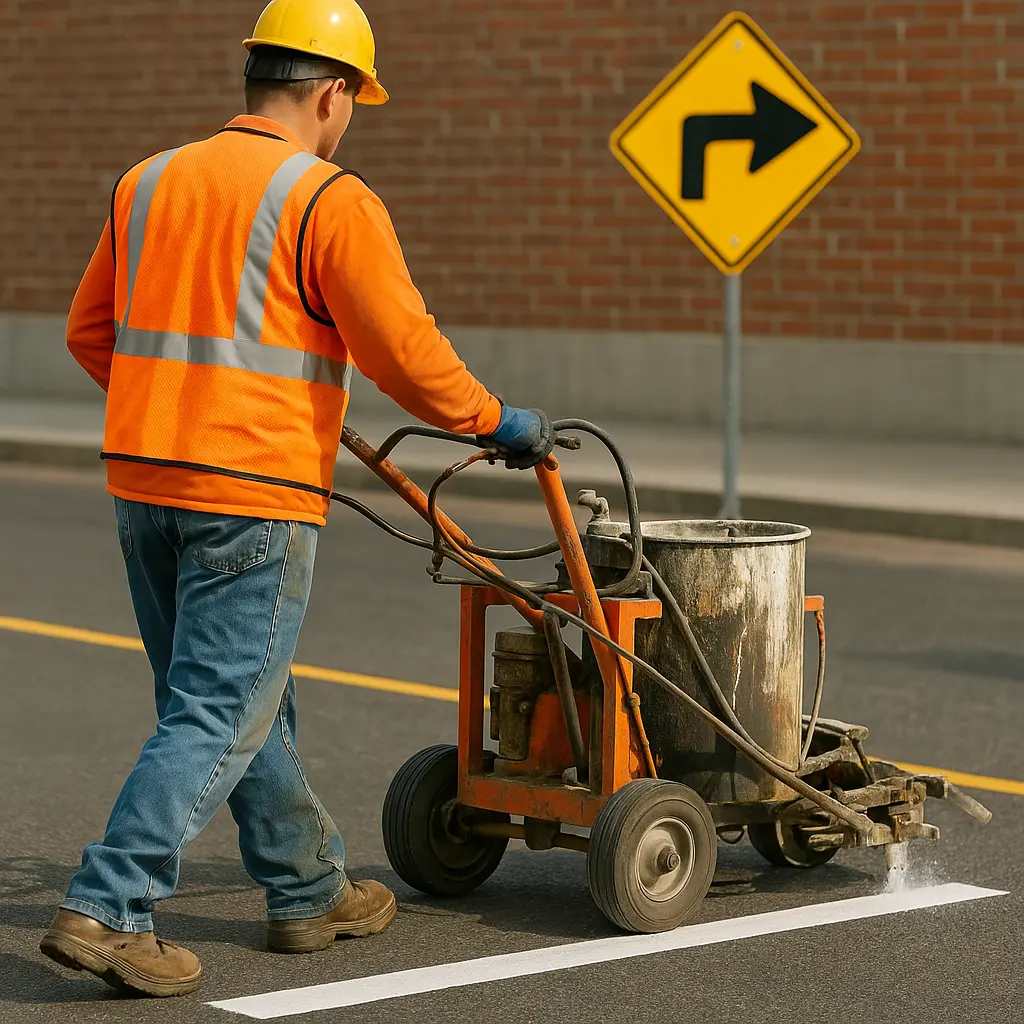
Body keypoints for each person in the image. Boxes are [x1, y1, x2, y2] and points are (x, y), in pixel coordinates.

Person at [39, 0, 553, 999]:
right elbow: (402, 352)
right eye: (354, 101)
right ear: (332, 93)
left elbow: (88, 333)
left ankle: (306, 886)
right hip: (251, 489)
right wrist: (493, 420)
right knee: (219, 709)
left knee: (232, 700)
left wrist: (179, 408)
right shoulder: (327, 198)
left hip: (144, 481)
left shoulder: (146, 180)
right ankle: (109, 904)